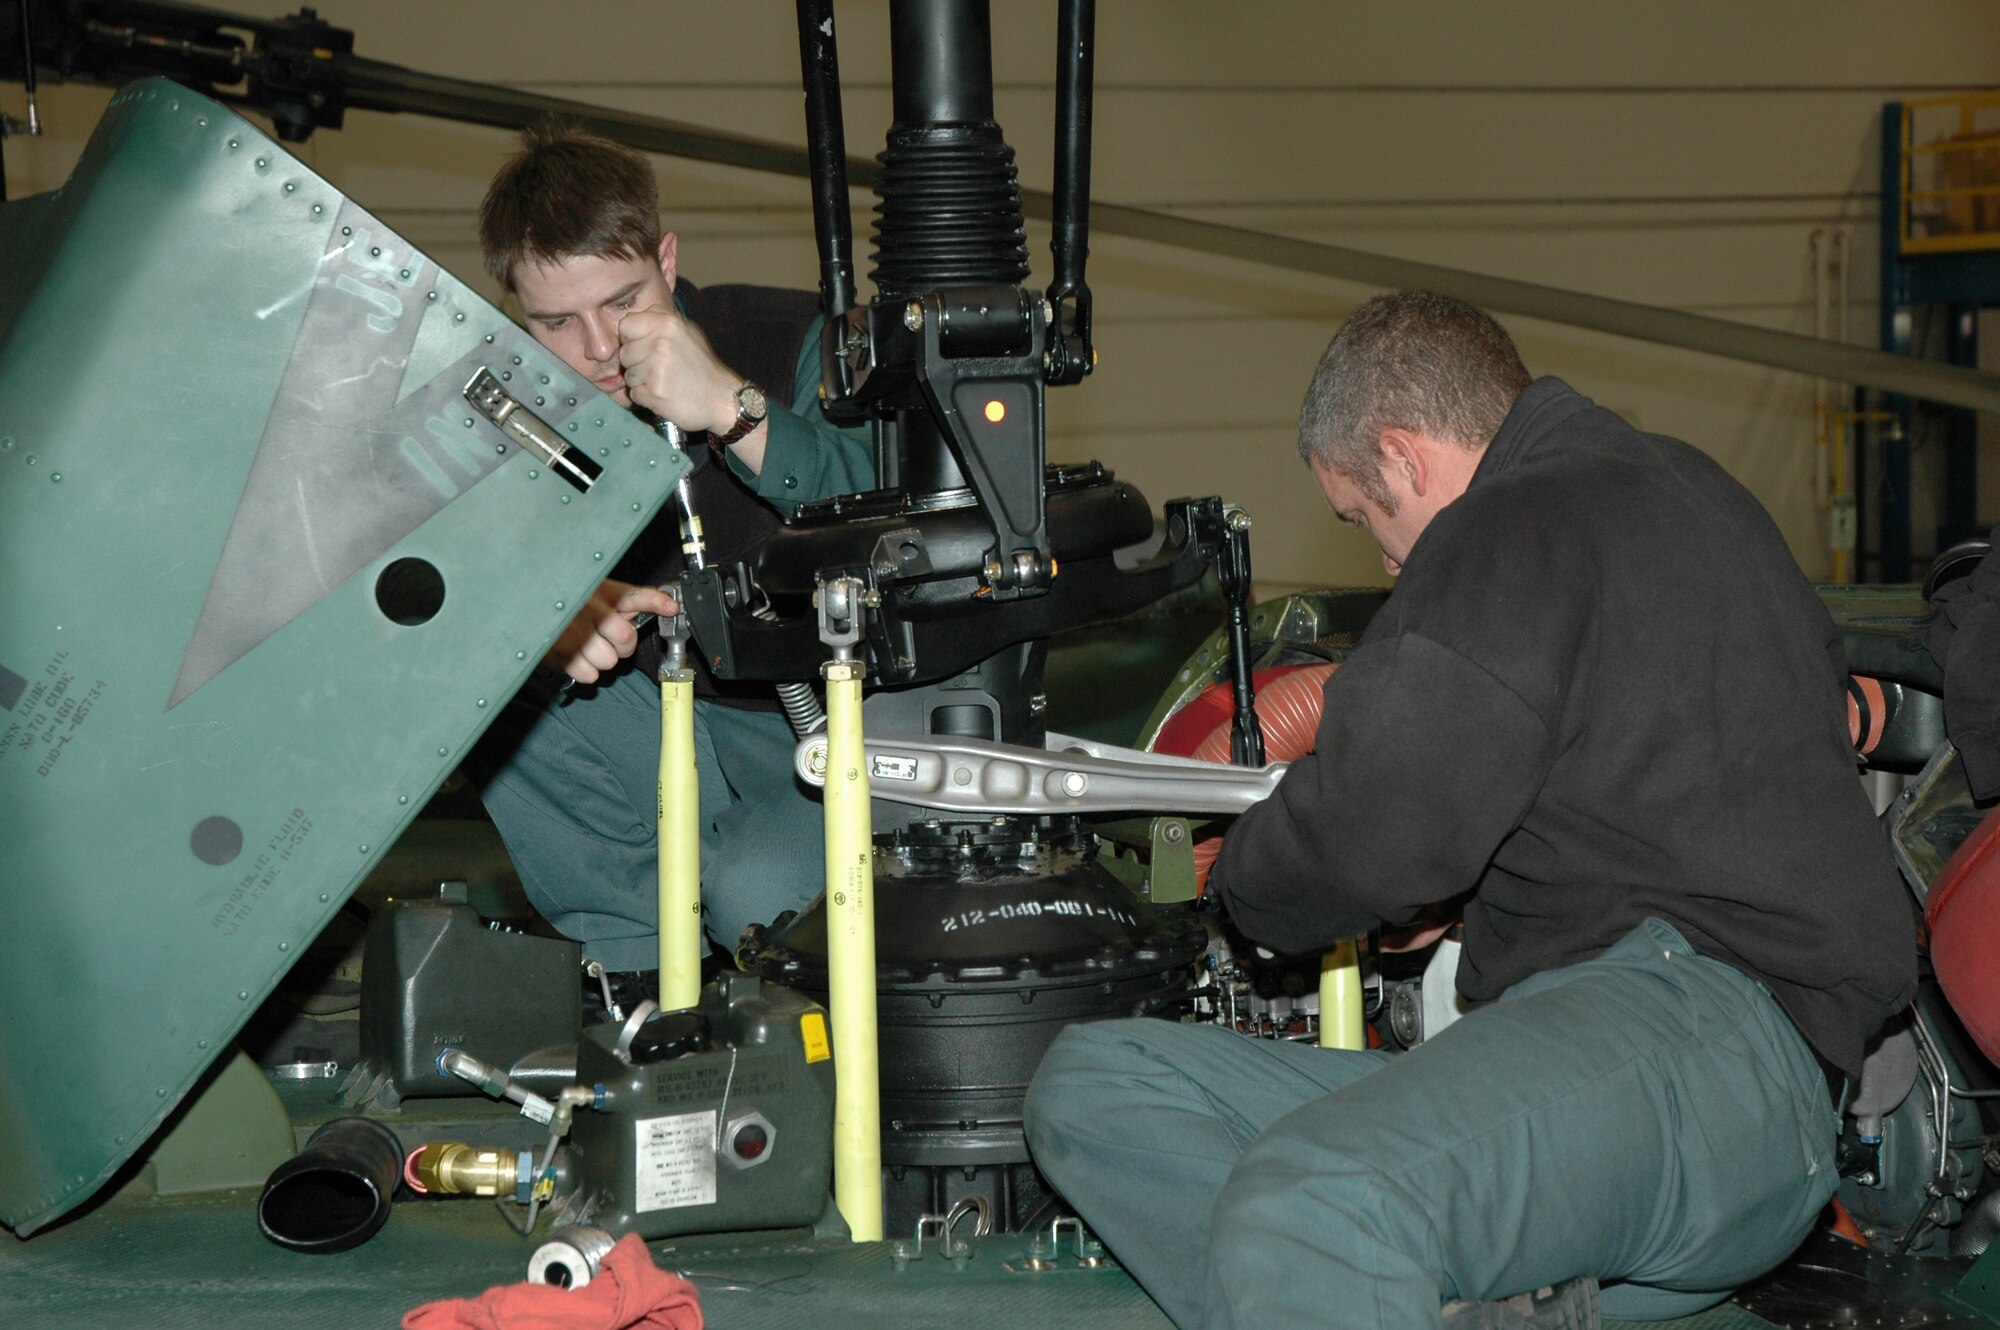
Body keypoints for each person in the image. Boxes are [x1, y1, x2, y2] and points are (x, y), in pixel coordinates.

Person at [1023, 292, 1917, 1329]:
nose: (1390, 564)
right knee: (1092, 1086)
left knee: (1313, 1202)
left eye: (1367, 521)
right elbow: (1633, 782)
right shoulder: (1687, 487)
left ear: (1399, 459)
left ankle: (1339, 1259)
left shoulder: (1511, 520)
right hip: (1679, 1084)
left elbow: (1377, 826)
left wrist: (1242, 882)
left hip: (1697, 1048)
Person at [468, 123, 873, 981]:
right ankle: (642, 980)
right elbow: (440, 590)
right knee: (494, 671)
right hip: (664, 723)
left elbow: (881, 504)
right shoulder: (504, 415)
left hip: (836, 733)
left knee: (759, 895)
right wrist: (551, 614)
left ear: (668, 256)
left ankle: (737, 924)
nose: (599, 348)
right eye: (555, 322)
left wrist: (734, 408)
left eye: (623, 300)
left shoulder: (790, 337)